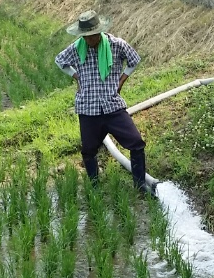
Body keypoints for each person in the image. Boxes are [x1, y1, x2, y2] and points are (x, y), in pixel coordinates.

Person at [54, 10, 153, 195]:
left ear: (99, 31)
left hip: (112, 105)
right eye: (86, 37)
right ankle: (94, 188)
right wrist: (76, 76)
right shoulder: (76, 48)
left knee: (136, 143)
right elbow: (59, 61)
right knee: (89, 151)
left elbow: (134, 60)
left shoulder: (116, 45)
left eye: (93, 36)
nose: (90, 41)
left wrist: (122, 79)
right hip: (88, 108)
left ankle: (140, 186)